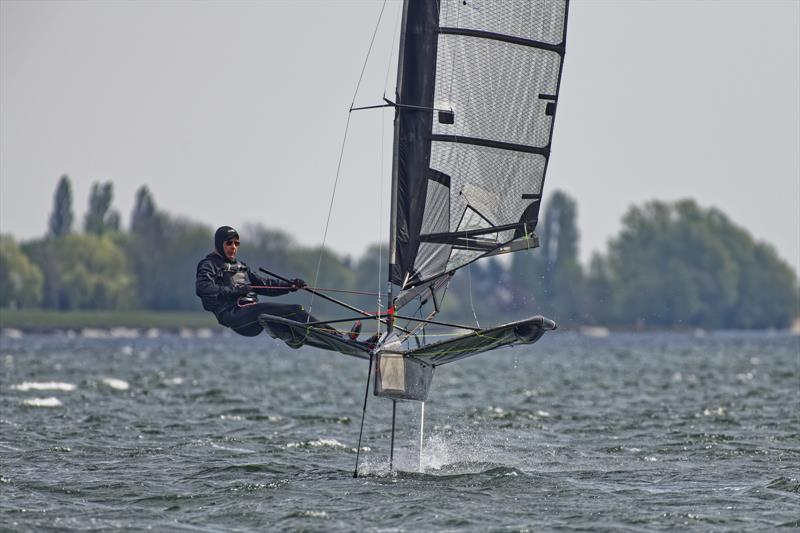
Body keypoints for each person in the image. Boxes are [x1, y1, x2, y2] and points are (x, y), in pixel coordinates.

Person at [195, 226, 361, 346]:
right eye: (229, 243)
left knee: (291, 317)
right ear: (219, 244)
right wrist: (236, 290)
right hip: (235, 316)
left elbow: (265, 285)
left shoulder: (241, 266)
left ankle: (323, 339)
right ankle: (340, 338)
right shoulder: (209, 264)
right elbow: (203, 288)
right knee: (296, 310)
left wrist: (290, 285)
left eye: (237, 243)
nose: (233, 247)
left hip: (254, 315)